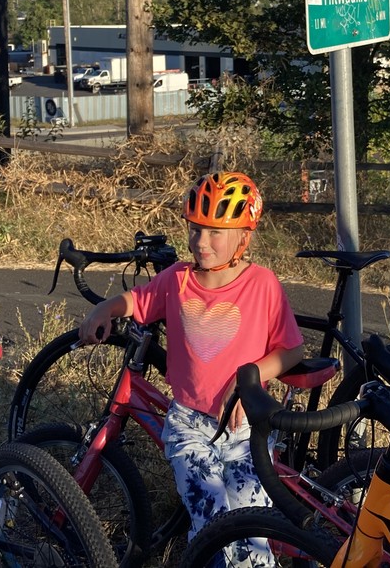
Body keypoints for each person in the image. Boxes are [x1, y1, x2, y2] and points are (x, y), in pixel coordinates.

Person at [79, 171, 305, 564]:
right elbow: (136, 301)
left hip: (248, 428)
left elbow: (291, 351)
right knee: (213, 521)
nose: (201, 242)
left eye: (216, 231)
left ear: (243, 237)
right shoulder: (177, 280)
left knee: (253, 533)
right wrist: (105, 308)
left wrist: (249, 379)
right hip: (189, 427)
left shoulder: (262, 285)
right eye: (196, 229)